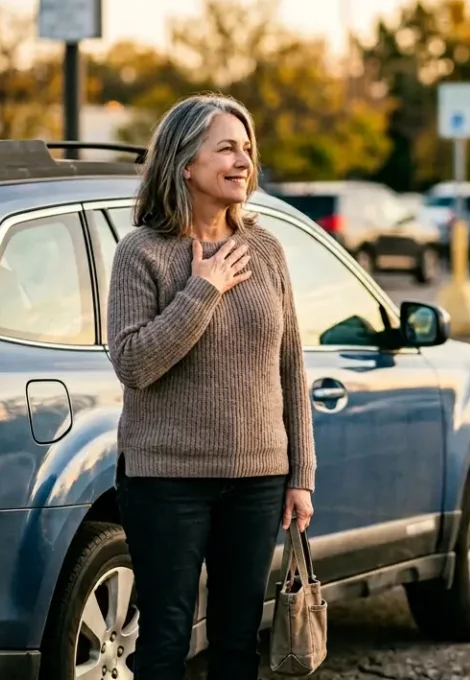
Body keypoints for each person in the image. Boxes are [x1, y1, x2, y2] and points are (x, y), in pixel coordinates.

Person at [106, 93, 317, 680]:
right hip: (165, 480)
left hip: (256, 478)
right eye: (226, 148)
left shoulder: (266, 248)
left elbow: (290, 367)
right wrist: (203, 290)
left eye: (247, 149)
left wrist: (300, 475)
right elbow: (134, 363)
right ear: (185, 164)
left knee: (236, 642)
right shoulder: (141, 253)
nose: (243, 161)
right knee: (165, 642)